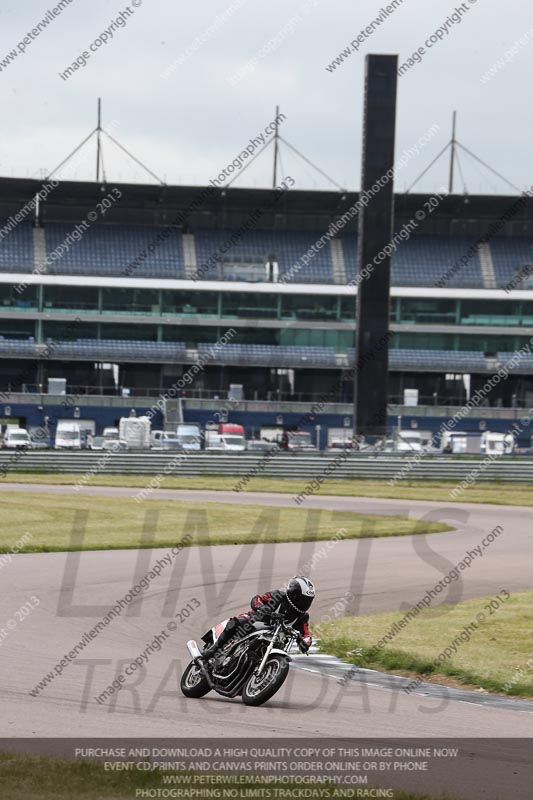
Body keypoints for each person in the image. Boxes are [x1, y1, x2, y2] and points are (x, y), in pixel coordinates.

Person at [201, 576, 315, 660]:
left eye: (308, 600)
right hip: (254, 622)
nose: (305, 603)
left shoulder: (302, 616)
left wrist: (305, 642)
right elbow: (257, 599)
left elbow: (306, 635)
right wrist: (261, 607)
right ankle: (213, 650)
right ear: (294, 594)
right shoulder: (278, 596)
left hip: (274, 640)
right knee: (238, 623)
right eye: (303, 599)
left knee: (281, 647)